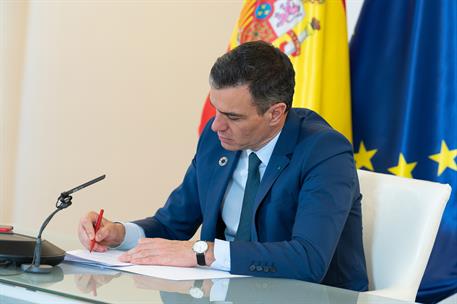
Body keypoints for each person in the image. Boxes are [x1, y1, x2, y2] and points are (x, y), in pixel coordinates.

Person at [78, 41, 368, 291]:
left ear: (275, 113)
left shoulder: (324, 151)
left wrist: (202, 252)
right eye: (216, 109)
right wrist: (118, 233)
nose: (217, 125)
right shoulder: (217, 138)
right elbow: (172, 224)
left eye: (233, 116)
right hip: (225, 292)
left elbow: (308, 259)